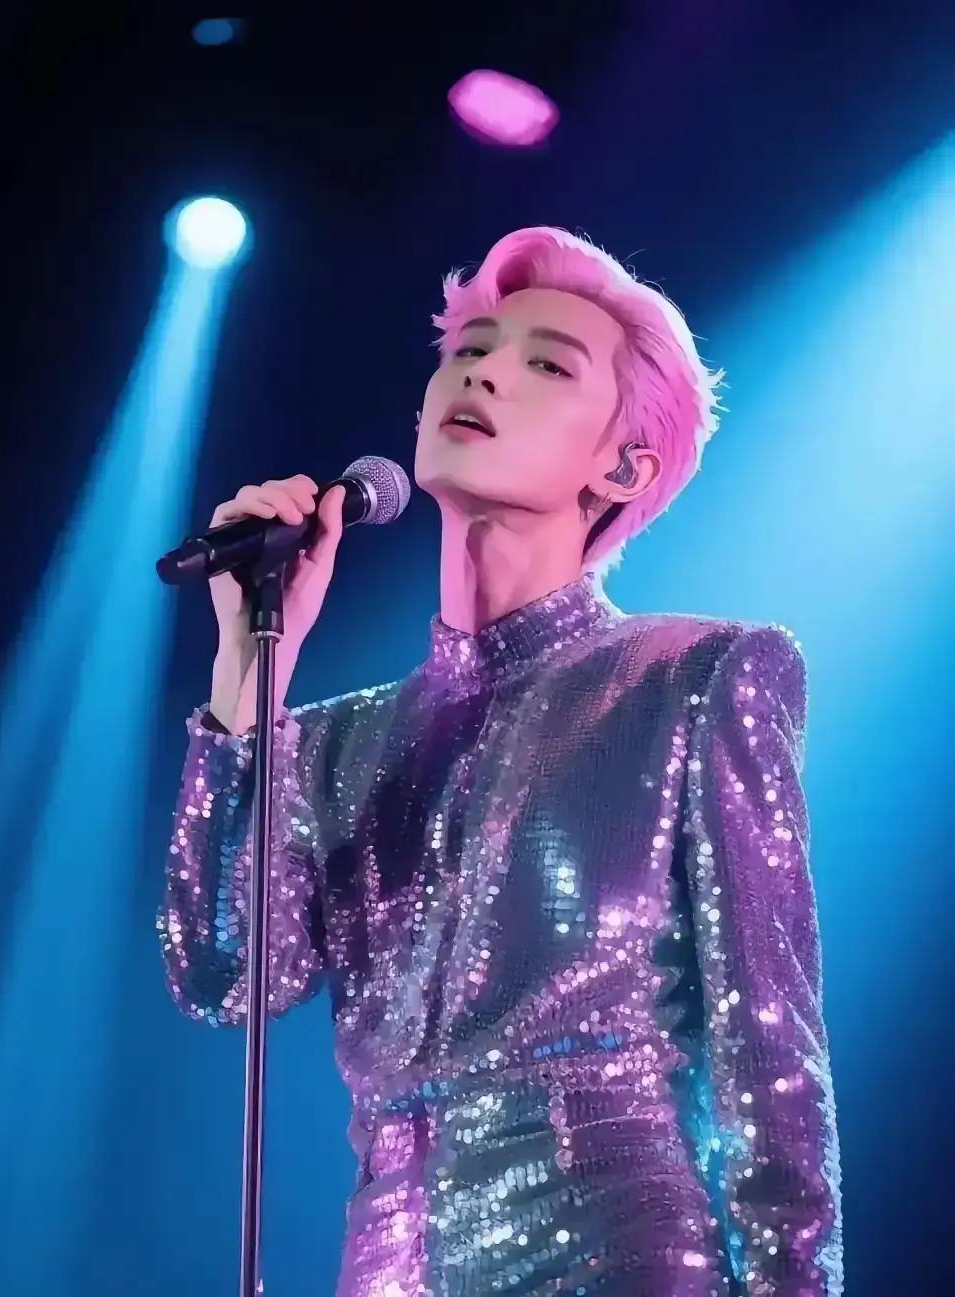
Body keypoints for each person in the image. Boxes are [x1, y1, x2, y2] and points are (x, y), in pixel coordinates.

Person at [158, 226, 843, 1297]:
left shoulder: (696, 677)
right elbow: (225, 975)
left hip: (615, 1248)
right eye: (470, 350)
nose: (481, 372)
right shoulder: (335, 742)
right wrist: (249, 670)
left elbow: (771, 1049)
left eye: (547, 365)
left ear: (623, 465)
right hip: (387, 1261)